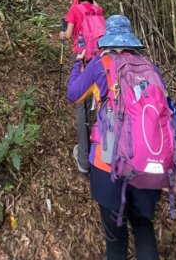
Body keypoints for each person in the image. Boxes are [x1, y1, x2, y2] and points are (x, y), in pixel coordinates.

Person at [67, 15, 161, 260]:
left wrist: (77, 66)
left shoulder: (100, 65)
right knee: (144, 229)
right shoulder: (150, 67)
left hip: (108, 163)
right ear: (131, 41)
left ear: (107, 40)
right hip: (148, 164)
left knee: (115, 239)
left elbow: (73, 94)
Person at [60, 0, 104, 174]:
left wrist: (61, 33)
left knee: (82, 107)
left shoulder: (75, 9)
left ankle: (84, 160)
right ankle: (102, 154)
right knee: (102, 106)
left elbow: (68, 35)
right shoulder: (99, 10)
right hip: (101, 62)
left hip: (82, 58)